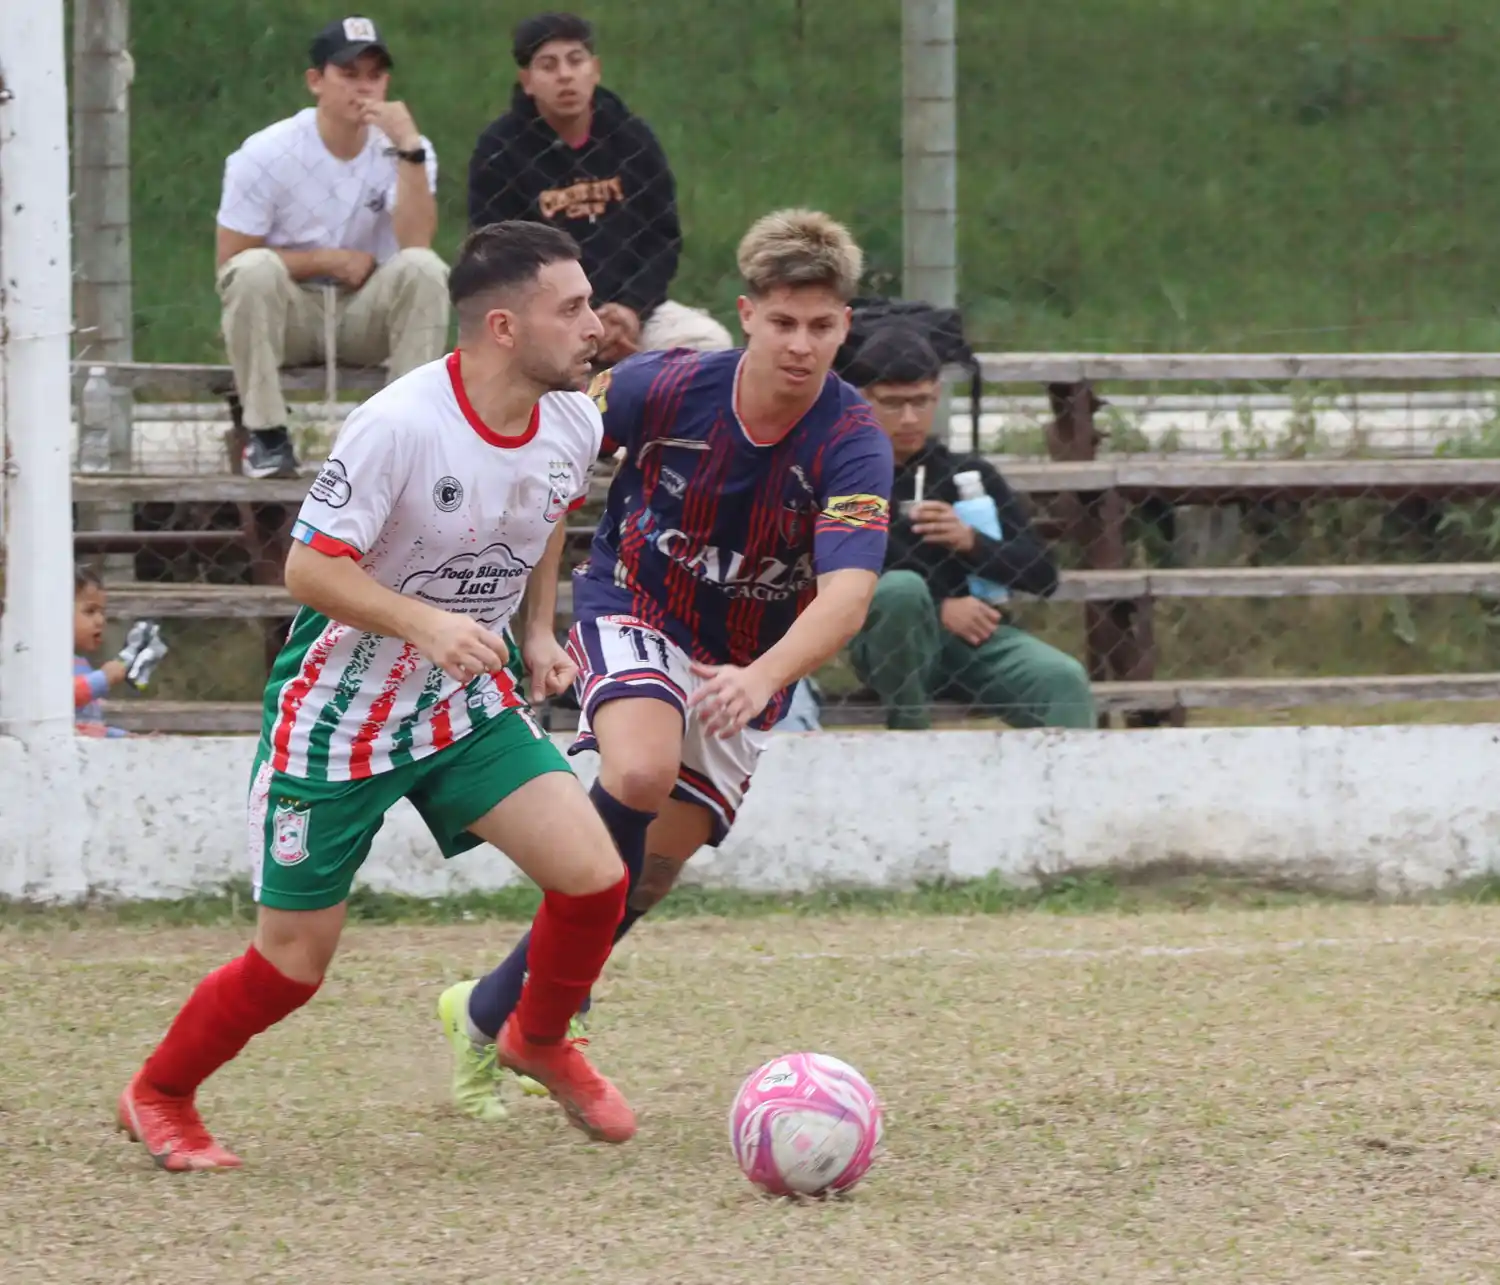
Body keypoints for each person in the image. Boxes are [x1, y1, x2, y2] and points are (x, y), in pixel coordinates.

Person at [117, 221, 639, 1172]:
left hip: (459, 707)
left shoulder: (574, 417)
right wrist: (426, 623)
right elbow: (309, 571)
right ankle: (160, 1092)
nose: (595, 323)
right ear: (503, 327)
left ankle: (536, 1037)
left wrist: (534, 627)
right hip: (339, 717)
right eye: (570, 307)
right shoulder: (401, 425)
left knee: (595, 876)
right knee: (290, 966)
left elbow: (546, 508)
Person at [436, 208, 893, 1116]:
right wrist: (534, 622)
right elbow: (544, 476)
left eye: (823, 326)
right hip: (633, 607)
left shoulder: (854, 441)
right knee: (638, 771)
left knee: (645, 875)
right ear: (748, 313)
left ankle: (491, 1010)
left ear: (846, 326)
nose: (802, 345)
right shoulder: (659, 385)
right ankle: (549, 1026)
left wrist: (763, 675)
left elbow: (846, 597)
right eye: (783, 322)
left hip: (743, 666)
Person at [216, 16, 450, 480]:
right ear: (315, 81)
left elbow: (416, 242)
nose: (364, 88)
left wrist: (408, 149)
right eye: (348, 74)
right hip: (288, 315)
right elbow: (230, 262)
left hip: (364, 314)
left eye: (375, 75)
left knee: (425, 269)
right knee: (253, 270)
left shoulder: (409, 149)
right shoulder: (266, 152)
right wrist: (324, 260)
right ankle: (267, 437)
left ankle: (405, 438)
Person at [842, 326, 1095, 730]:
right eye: (892, 404)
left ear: (937, 395)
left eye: (921, 401)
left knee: (1062, 679)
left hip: (974, 641)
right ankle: (912, 740)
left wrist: (971, 541)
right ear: (860, 399)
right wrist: (940, 608)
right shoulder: (845, 476)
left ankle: (1068, 791)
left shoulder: (968, 474)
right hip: (889, 643)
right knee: (902, 591)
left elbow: (1043, 575)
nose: (910, 418)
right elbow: (838, 571)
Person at [466, 12, 732, 368]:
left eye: (576, 60)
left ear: (596, 68)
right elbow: (497, 256)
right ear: (527, 80)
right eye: (548, 65)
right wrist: (574, 315)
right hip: (545, 316)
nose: (565, 75)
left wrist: (630, 310)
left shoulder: (632, 137)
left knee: (710, 343)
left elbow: (663, 237)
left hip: (633, 312)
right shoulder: (499, 150)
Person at [73, 567, 169, 738]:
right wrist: (103, 678)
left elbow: (90, 726)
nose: (100, 621)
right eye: (90, 611)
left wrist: (126, 737)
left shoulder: (80, 664)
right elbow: (63, 699)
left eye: (102, 613)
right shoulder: (46, 664)